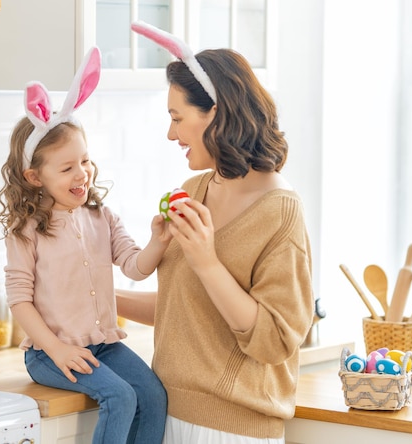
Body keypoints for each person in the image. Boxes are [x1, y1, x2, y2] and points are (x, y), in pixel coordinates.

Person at [116, 22, 315, 444]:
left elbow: (275, 341)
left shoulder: (281, 212)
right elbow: (184, 307)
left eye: (177, 118)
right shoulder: (193, 192)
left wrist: (207, 261)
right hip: (165, 412)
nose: (171, 133)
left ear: (217, 115)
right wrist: (98, 297)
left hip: (234, 431)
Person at [0, 47, 168, 444]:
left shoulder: (101, 217)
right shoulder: (26, 231)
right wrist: (55, 348)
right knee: (120, 396)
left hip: (103, 347)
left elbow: (135, 266)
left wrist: (158, 241)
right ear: (35, 177)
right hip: (47, 354)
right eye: (68, 167)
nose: (83, 174)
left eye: (85, 161)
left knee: (154, 396)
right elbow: (19, 300)